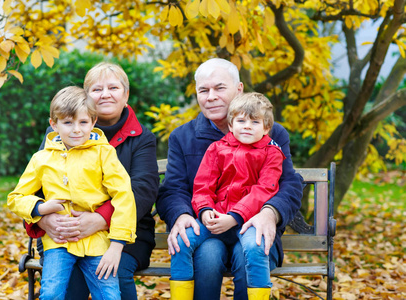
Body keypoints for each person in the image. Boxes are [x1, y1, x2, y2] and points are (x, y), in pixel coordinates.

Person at [156, 58, 303, 300]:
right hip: (207, 230)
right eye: (203, 90)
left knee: (248, 253)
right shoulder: (183, 137)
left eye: (219, 88)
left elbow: (288, 183)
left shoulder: (272, 133)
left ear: (239, 89)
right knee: (209, 256)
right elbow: (173, 189)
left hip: (252, 228)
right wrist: (182, 215)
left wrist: (270, 213)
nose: (210, 96)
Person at [24, 63, 160, 300]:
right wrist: (44, 220)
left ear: (125, 95)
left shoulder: (141, 136)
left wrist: (100, 218)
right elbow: (36, 186)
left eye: (113, 87)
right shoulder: (57, 134)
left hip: (125, 231)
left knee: (114, 273)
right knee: (64, 286)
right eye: (97, 89)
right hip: (64, 230)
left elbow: (142, 190)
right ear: (86, 97)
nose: (105, 94)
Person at [8, 86, 137, 300]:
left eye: (83, 122)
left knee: (110, 295)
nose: (76, 129)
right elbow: (16, 198)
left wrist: (117, 245)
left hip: (97, 242)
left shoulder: (104, 153)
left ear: (93, 122)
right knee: (51, 294)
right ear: (54, 125)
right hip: (58, 243)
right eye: (68, 122)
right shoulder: (42, 159)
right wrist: (40, 208)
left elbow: (124, 196)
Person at [170, 92, 285, 299]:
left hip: (249, 222)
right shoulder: (216, 149)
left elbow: (265, 189)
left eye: (255, 122)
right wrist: (204, 211)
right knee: (181, 240)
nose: (247, 126)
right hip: (216, 219)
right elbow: (203, 184)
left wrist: (235, 217)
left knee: (255, 247)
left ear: (266, 128)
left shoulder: (272, 153)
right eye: (241, 120)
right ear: (231, 125)